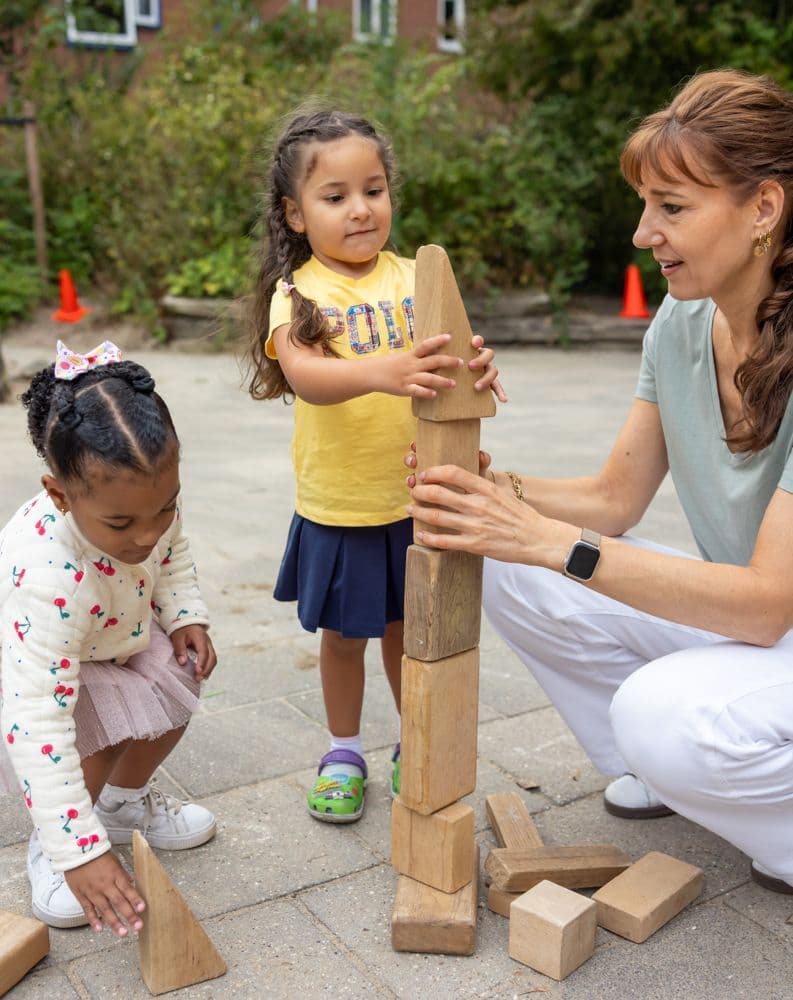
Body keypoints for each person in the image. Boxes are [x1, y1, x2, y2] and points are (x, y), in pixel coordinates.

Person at [406, 69, 793, 894]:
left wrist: (550, 540)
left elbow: (766, 603)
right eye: (645, 205)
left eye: (673, 208)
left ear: (763, 208)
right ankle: (666, 773)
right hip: (767, 637)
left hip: (772, 618)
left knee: (658, 707)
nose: (642, 233)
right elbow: (615, 500)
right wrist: (492, 488)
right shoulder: (682, 322)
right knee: (507, 563)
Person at [246, 108, 505, 824]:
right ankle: (342, 750)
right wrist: (382, 371)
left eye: (373, 189)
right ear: (296, 214)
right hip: (340, 503)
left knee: (405, 628)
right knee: (343, 635)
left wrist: (475, 369)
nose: (360, 210)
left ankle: (411, 738)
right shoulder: (298, 293)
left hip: (413, 495)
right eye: (335, 197)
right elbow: (305, 376)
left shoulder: (415, 277)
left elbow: (448, 357)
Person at [0, 341, 218, 935]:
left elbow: (172, 555)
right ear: (59, 495)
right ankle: (56, 847)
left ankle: (121, 806)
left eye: (164, 509)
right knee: (88, 736)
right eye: (121, 524)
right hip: (53, 661)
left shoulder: (147, 501)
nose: (146, 535)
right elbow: (37, 722)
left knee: (175, 689)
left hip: (120, 633)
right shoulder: (48, 575)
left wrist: (185, 615)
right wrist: (79, 852)